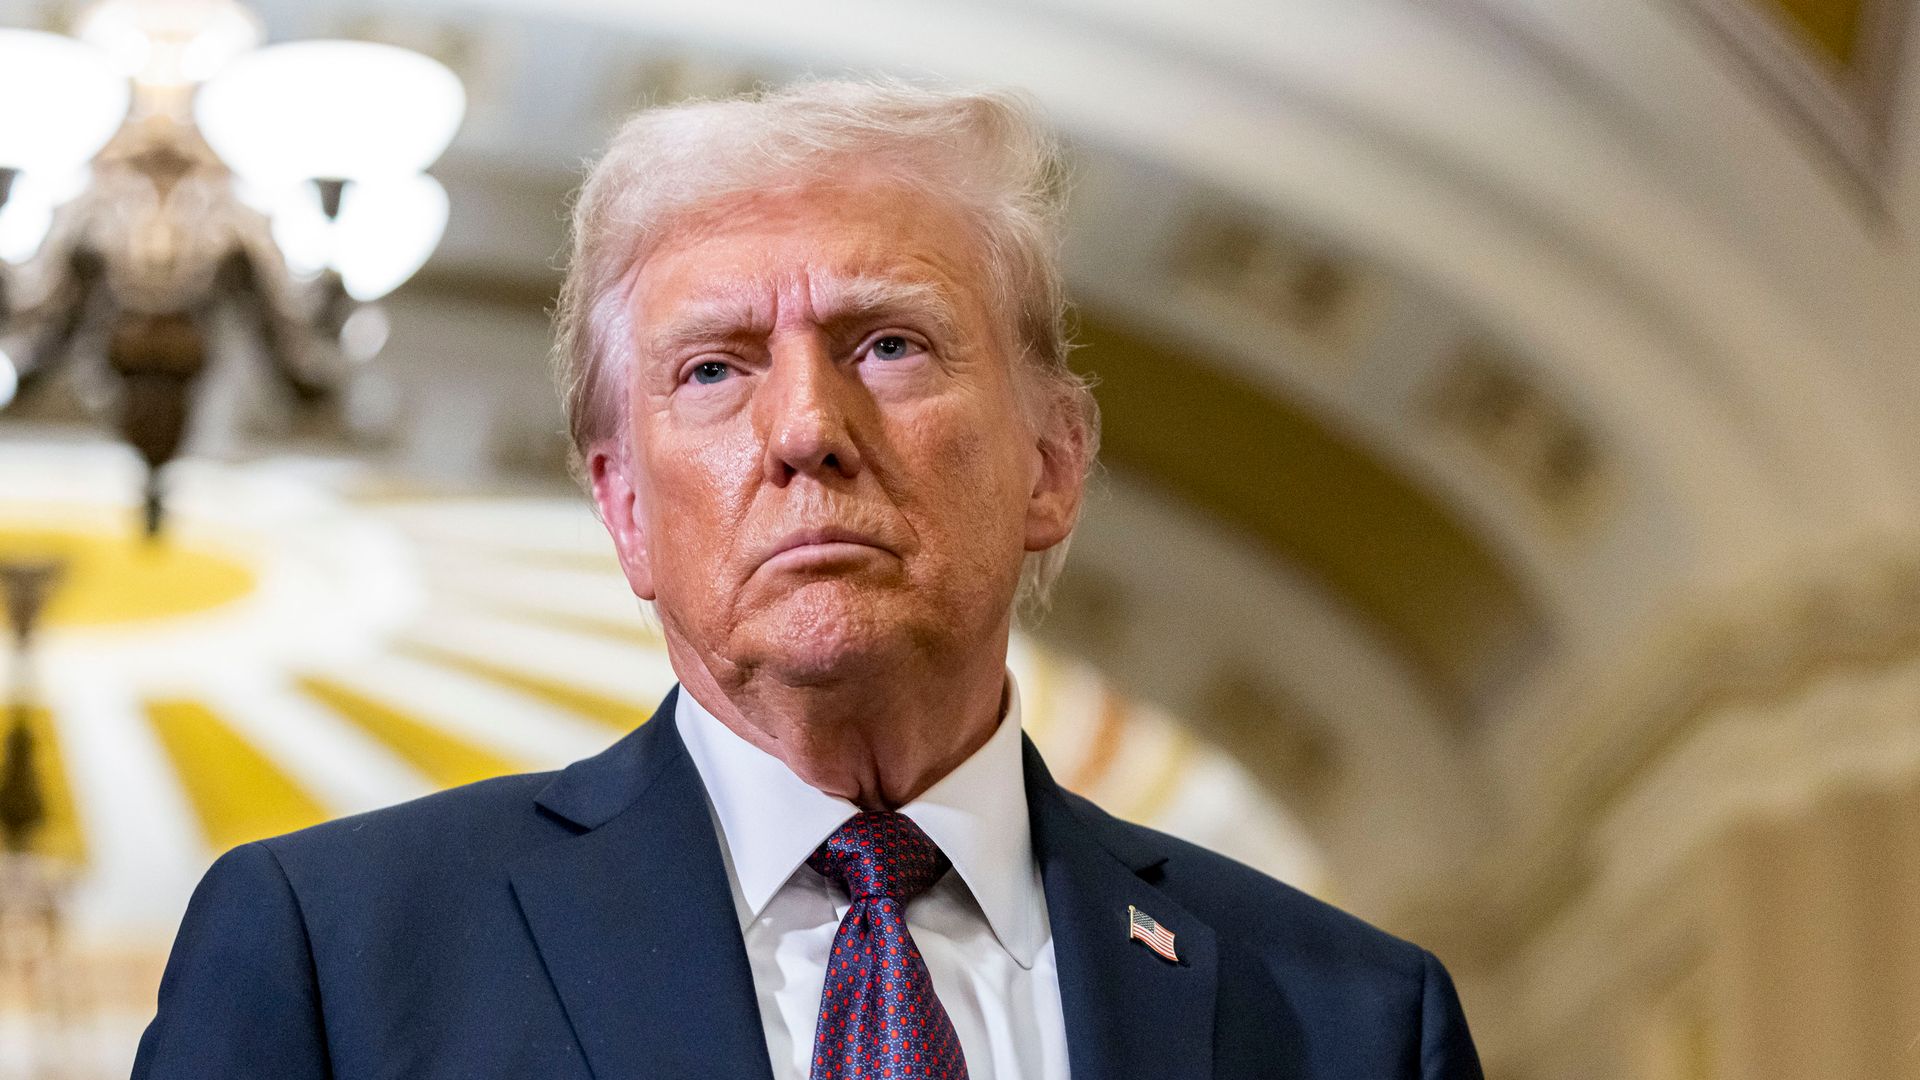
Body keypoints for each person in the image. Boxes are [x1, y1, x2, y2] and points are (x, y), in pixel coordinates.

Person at [132, 79, 1483, 1080]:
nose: (803, 428)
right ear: (625, 511)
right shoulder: (337, 962)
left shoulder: (1350, 1021)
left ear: (1054, 462)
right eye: (714, 367)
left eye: (889, 343)